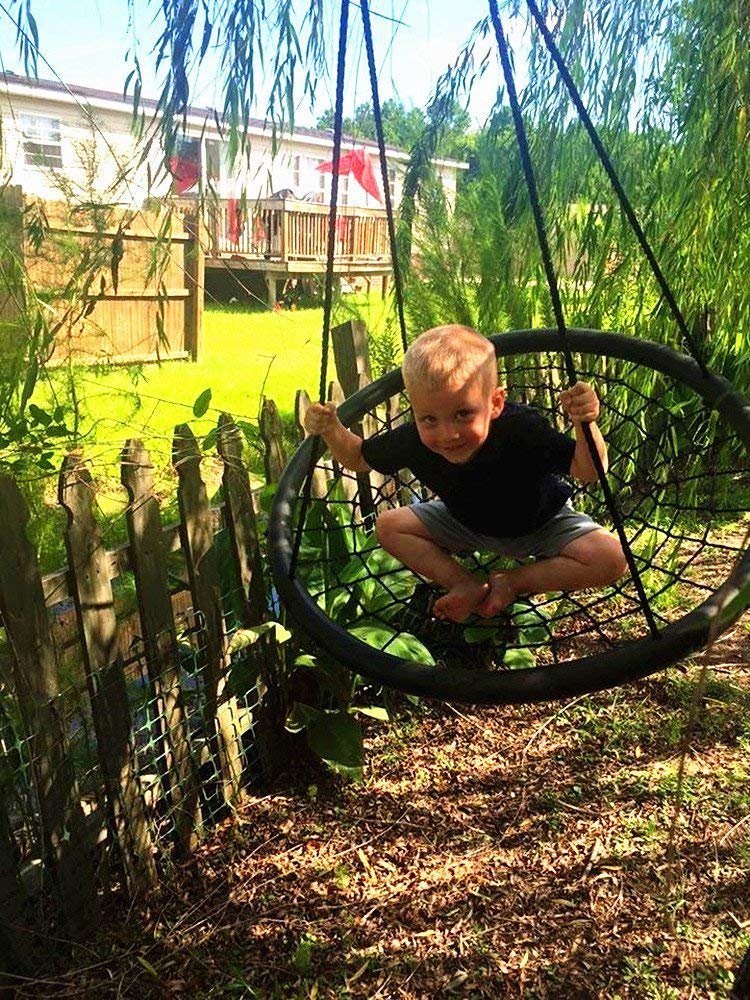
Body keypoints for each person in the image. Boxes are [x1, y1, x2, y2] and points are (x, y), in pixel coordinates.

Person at [304, 324, 628, 623]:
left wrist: (585, 423)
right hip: (462, 522)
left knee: (610, 558)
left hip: (542, 521)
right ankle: (465, 583)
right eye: (429, 419)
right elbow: (358, 457)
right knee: (389, 526)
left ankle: (512, 582)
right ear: (414, 410)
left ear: (496, 403)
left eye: (463, 414)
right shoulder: (412, 438)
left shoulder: (521, 429)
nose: (448, 434)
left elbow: (589, 470)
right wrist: (331, 429)